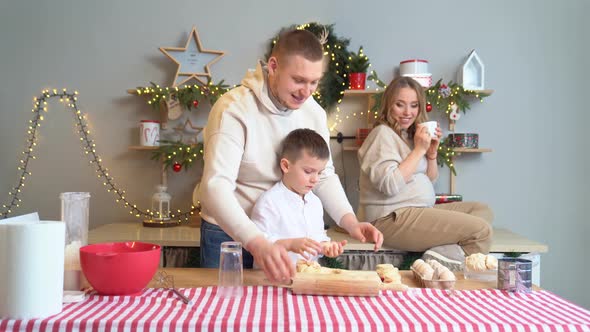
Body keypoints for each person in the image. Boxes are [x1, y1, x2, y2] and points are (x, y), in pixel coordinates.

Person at [195, 29, 383, 282]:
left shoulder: (313, 113)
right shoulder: (233, 110)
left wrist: (350, 222)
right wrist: (258, 243)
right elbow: (215, 187)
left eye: (314, 82)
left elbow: (324, 174)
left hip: (286, 236)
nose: (306, 91)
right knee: (225, 311)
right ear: (273, 66)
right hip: (229, 236)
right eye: (298, 79)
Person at [357, 76, 493, 271]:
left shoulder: (409, 136)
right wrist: (419, 150)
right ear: (388, 105)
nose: (408, 112)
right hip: (389, 218)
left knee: (482, 211)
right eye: (400, 105)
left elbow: (429, 180)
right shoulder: (381, 135)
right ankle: (439, 263)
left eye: (414, 106)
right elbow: (389, 185)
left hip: (417, 211)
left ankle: (440, 254)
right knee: (481, 231)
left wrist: (431, 154)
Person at [250, 128, 348, 266]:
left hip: (308, 278)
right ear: (286, 166)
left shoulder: (315, 202)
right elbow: (258, 243)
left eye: (319, 173)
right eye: (308, 171)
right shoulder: (269, 202)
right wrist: (290, 244)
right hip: (272, 279)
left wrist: (325, 246)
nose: (315, 179)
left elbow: (318, 237)